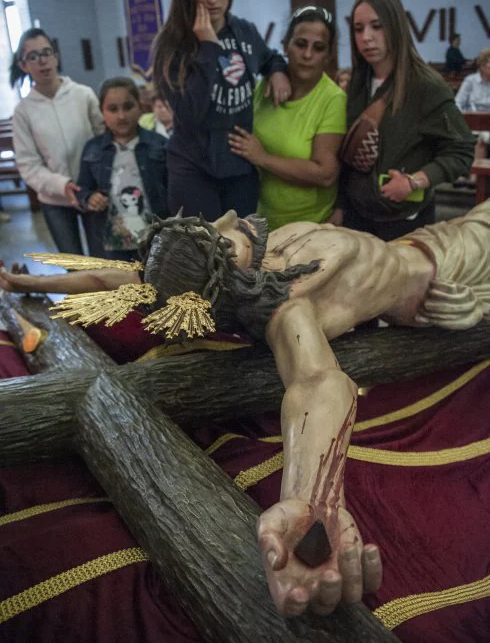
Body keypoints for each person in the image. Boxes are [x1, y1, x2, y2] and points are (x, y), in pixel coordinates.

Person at [2, 200, 490, 617]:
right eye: (222, 238)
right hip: (452, 277)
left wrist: (24, 285)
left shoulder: (249, 259)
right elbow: (316, 382)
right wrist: (311, 500)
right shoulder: (283, 301)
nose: (228, 221)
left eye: (215, 230)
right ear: (220, 288)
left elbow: (109, 277)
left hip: (424, 244)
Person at [153, 0, 291, 220]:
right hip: (193, 169)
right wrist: (208, 47)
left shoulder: (244, 31)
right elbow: (192, 113)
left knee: (243, 253)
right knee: (203, 257)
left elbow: (269, 58)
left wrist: (277, 70)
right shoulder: (171, 44)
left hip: (239, 166)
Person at [339, 0, 474, 241]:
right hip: (356, 216)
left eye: (377, 26)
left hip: (404, 220)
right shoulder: (358, 82)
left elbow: (462, 150)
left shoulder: (426, 85)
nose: (367, 37)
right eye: (359, 29)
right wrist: (339, 205)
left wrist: (415, 181)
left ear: (396, 27)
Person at [228, 6, 346, 231]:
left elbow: (325, 173)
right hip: (259, 224)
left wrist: (263, 158)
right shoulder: (263, 88)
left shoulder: (333, 98)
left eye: (318, 48)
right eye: (301, 44)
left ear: (329, 55)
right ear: (285, 45)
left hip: (312, 229)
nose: (308, 55)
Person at [10, 28, 104, 253]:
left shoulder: (83, 94)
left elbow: (103, 141)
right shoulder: (24, 111)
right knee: (74, 267)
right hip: (55, 200)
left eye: (46, 52)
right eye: (33, 57)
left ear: (56, 56)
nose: (42, 61)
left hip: (93, 192)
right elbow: (28, 164)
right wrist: (61, 185)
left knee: (104, 262)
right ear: (24, 65)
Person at [76, 77, 168, 261]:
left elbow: (173, 190)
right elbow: (82, 189)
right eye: (113, 109)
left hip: (155, 239)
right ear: (102, 112)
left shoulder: (159, 144)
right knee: (119, 288)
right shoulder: (93, 150)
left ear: (140, 107)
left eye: (128, 107)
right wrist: (90, 198)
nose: (121, 116)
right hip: (113, 242)